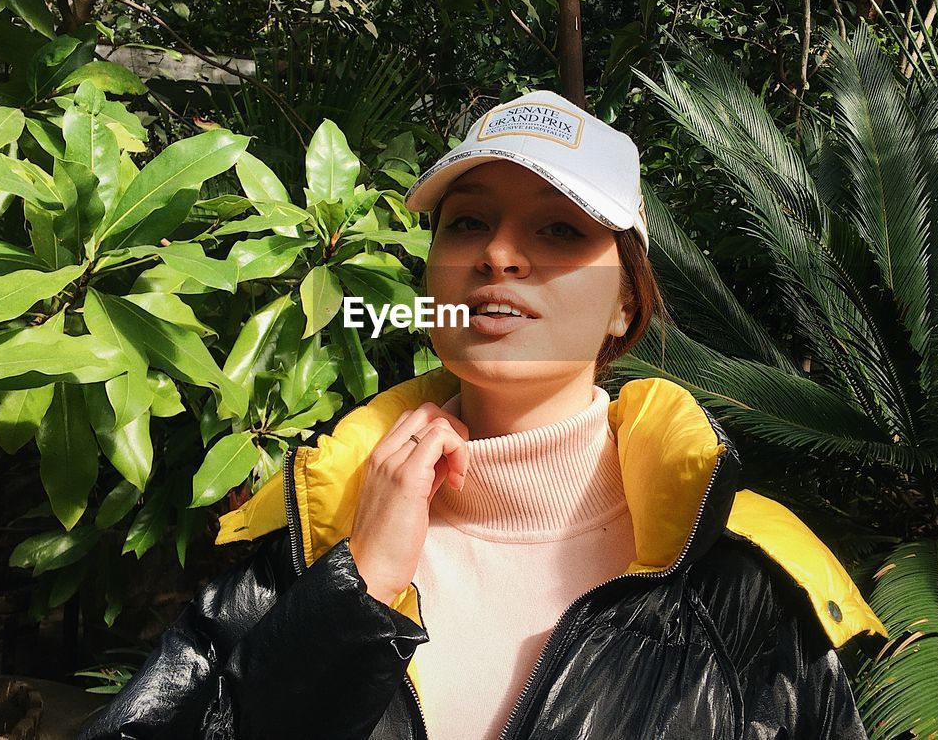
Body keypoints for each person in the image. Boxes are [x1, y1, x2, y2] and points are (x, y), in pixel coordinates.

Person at [77, 89, 888, 740]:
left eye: (559, 229)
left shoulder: (740, 579)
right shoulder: (311, 536)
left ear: (625, 304)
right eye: (467, 222)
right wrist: (355, 592)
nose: (498, 253)